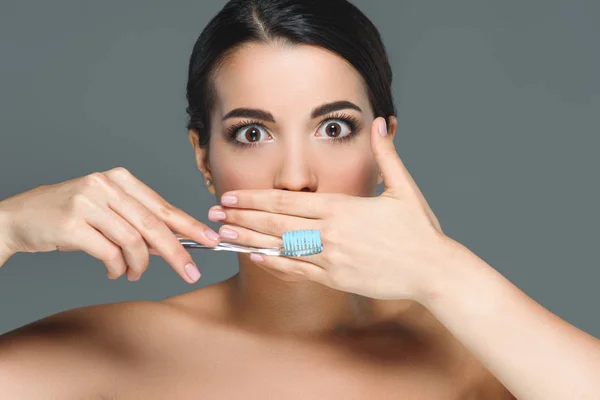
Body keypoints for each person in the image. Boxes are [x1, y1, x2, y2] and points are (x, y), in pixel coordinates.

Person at [1, 0, 598, 398]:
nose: (294, 178)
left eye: (334, 128)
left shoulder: (474, 350)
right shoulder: (114, 353)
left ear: (384, 145)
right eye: (252, 133)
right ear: (204, 158)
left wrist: (443, 271)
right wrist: (4, 226)